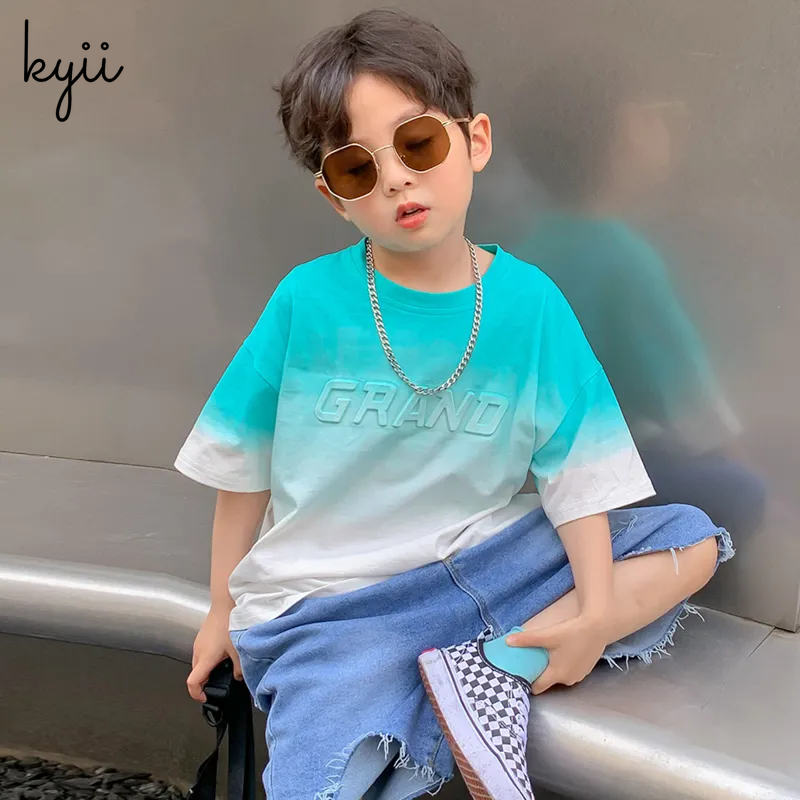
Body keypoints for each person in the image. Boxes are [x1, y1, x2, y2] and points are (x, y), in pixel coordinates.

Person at [175, 10, 732, 800]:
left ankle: (496, 668)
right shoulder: (306, 300)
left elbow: (578, 475)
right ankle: (471, 685)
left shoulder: (531, 303)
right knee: (322, 779)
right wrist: (219, 610)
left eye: (418, 144)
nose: (396, 179)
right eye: (358, 168)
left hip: (485, 568)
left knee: (690, 540)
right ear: (334, 197)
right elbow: (243, 465)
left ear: (474, 142)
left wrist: (597, 615)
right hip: (331, 607)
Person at [507, 43, 766, 540]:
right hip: (602, 468)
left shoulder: (532, 247)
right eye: (654, 115)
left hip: (543, 466)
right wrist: (746, 466)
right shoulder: (622, 256)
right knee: (744, 492)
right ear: (625, 135)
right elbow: (690, 399)